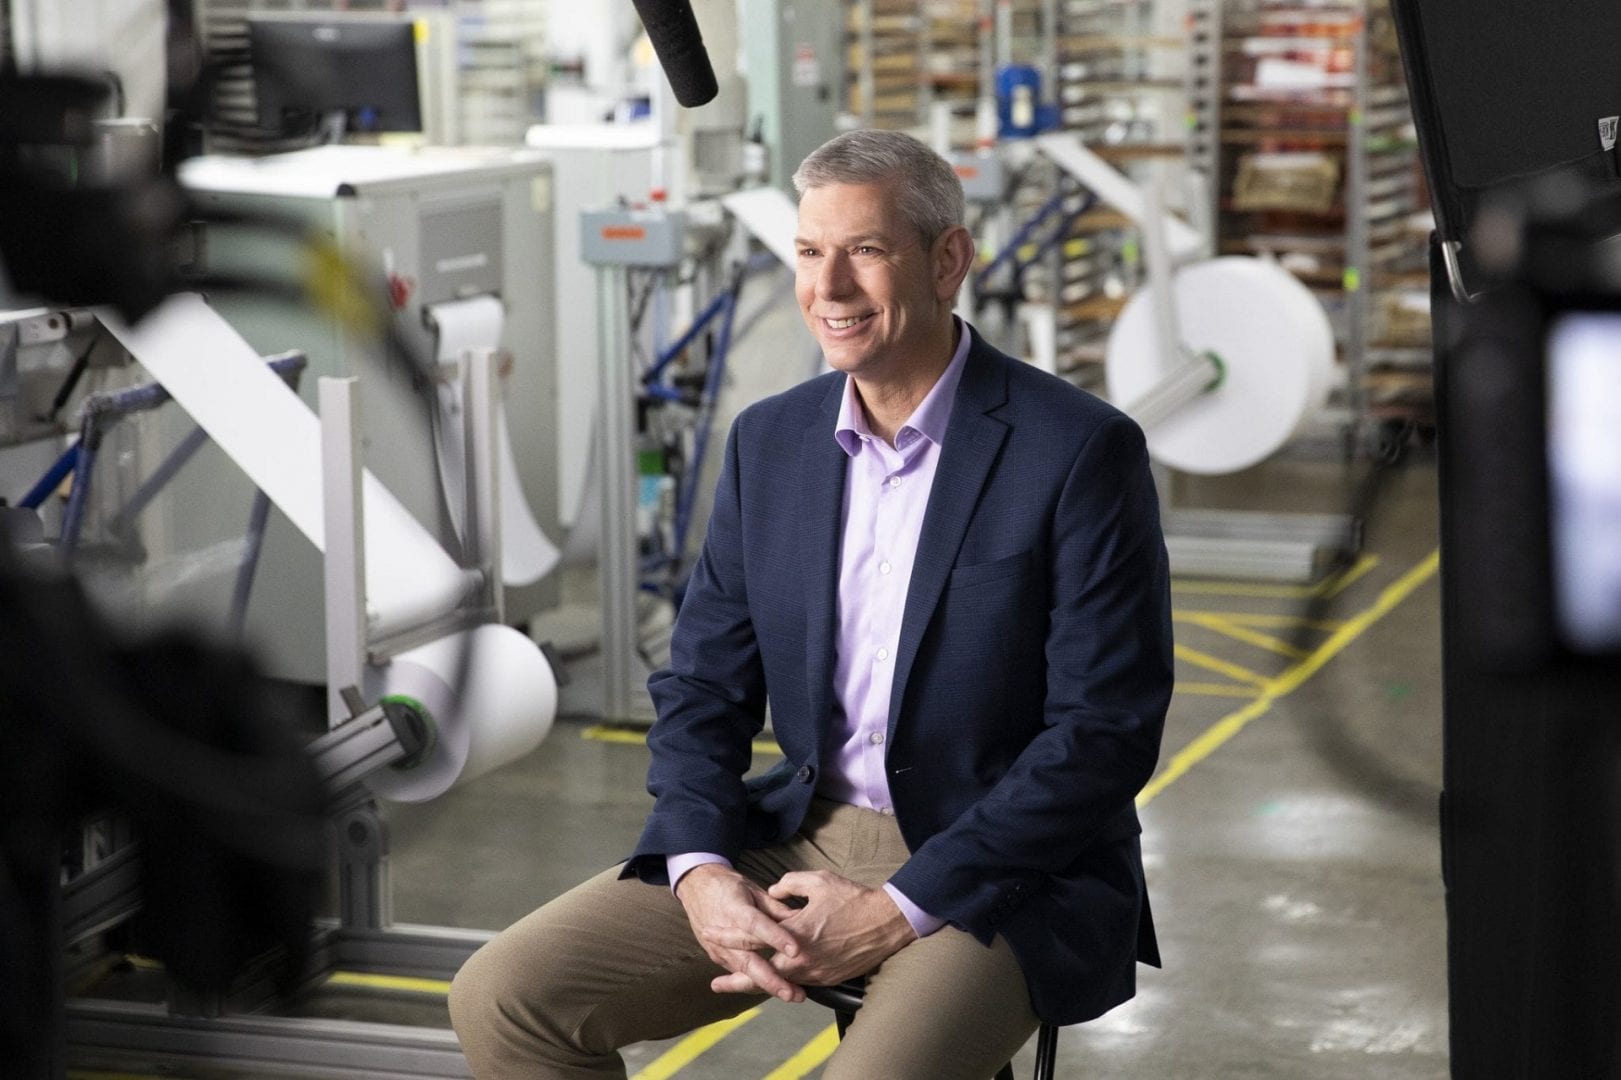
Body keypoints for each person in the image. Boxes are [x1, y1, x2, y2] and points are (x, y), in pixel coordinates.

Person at [448, 129, 1174, 1079]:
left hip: (1000, 866)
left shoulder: (1075, 450)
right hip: (797, 831)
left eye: (865, 252)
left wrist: (897, 906)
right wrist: (701, 868)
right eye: (807, 252)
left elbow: (1104, 731)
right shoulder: (771, 444)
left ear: (947, 260)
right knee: (505, 998)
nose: (827, 289)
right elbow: (704, 684)